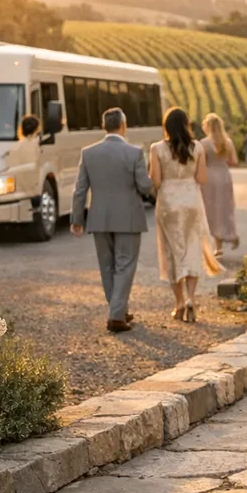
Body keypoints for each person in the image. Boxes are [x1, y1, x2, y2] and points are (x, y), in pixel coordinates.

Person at [70, 107, 153, 333]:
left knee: (107, 267)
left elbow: (80, 189)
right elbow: (145, 187)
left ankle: (118, 310)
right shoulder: (135, 153)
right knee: (125, 265)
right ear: (123, 126)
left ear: (104, 126)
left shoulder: (88, 153)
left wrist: (77, 218)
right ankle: (116, 315)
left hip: (99, 218)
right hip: (128, 217)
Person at [149, 107, 222, 323]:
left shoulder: (157, 148)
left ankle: (179, 303)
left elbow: (156, 181)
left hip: (168, 203)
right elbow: (201, 179)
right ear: (186, 125)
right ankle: (191, 298)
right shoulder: (197, 147)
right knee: (192, 248)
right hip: (191, 200)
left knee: (172, 252)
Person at [200, 113, 240, 254]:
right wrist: (222, 160)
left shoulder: (203, 143)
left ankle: (218, 246)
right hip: (224, 176)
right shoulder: (227, 142)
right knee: (225, 207)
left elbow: (201, 163)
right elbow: (234, 161)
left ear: (208, 126)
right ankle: (231, 234)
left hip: (209, 178)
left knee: (212, 209)